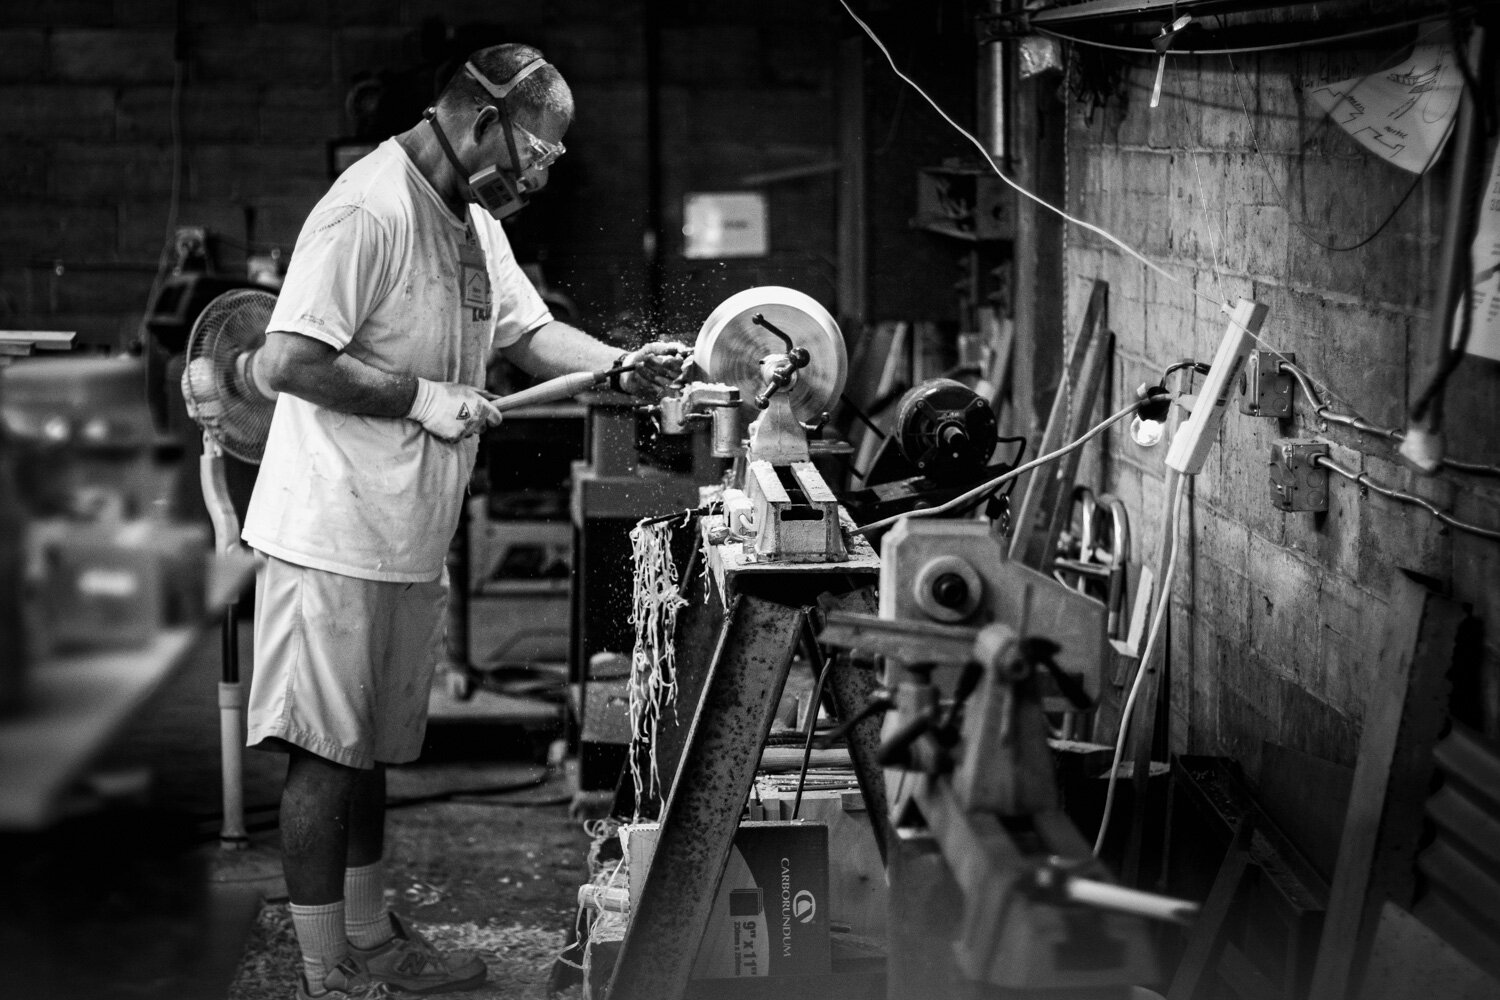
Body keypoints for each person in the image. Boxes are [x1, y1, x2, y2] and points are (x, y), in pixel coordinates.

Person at [240, 43, 685, 999]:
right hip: (329, 531)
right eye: (539, 148)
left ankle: (368, 938)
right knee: (325, 754)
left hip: (402, 530)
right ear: (483, 126)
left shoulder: (471, 221)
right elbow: (284, 361)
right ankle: (329, 974)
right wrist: (418, 397)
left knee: (365, 751)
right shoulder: (369, 208)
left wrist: (617, 365)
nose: (542, 169)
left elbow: (526, 334)